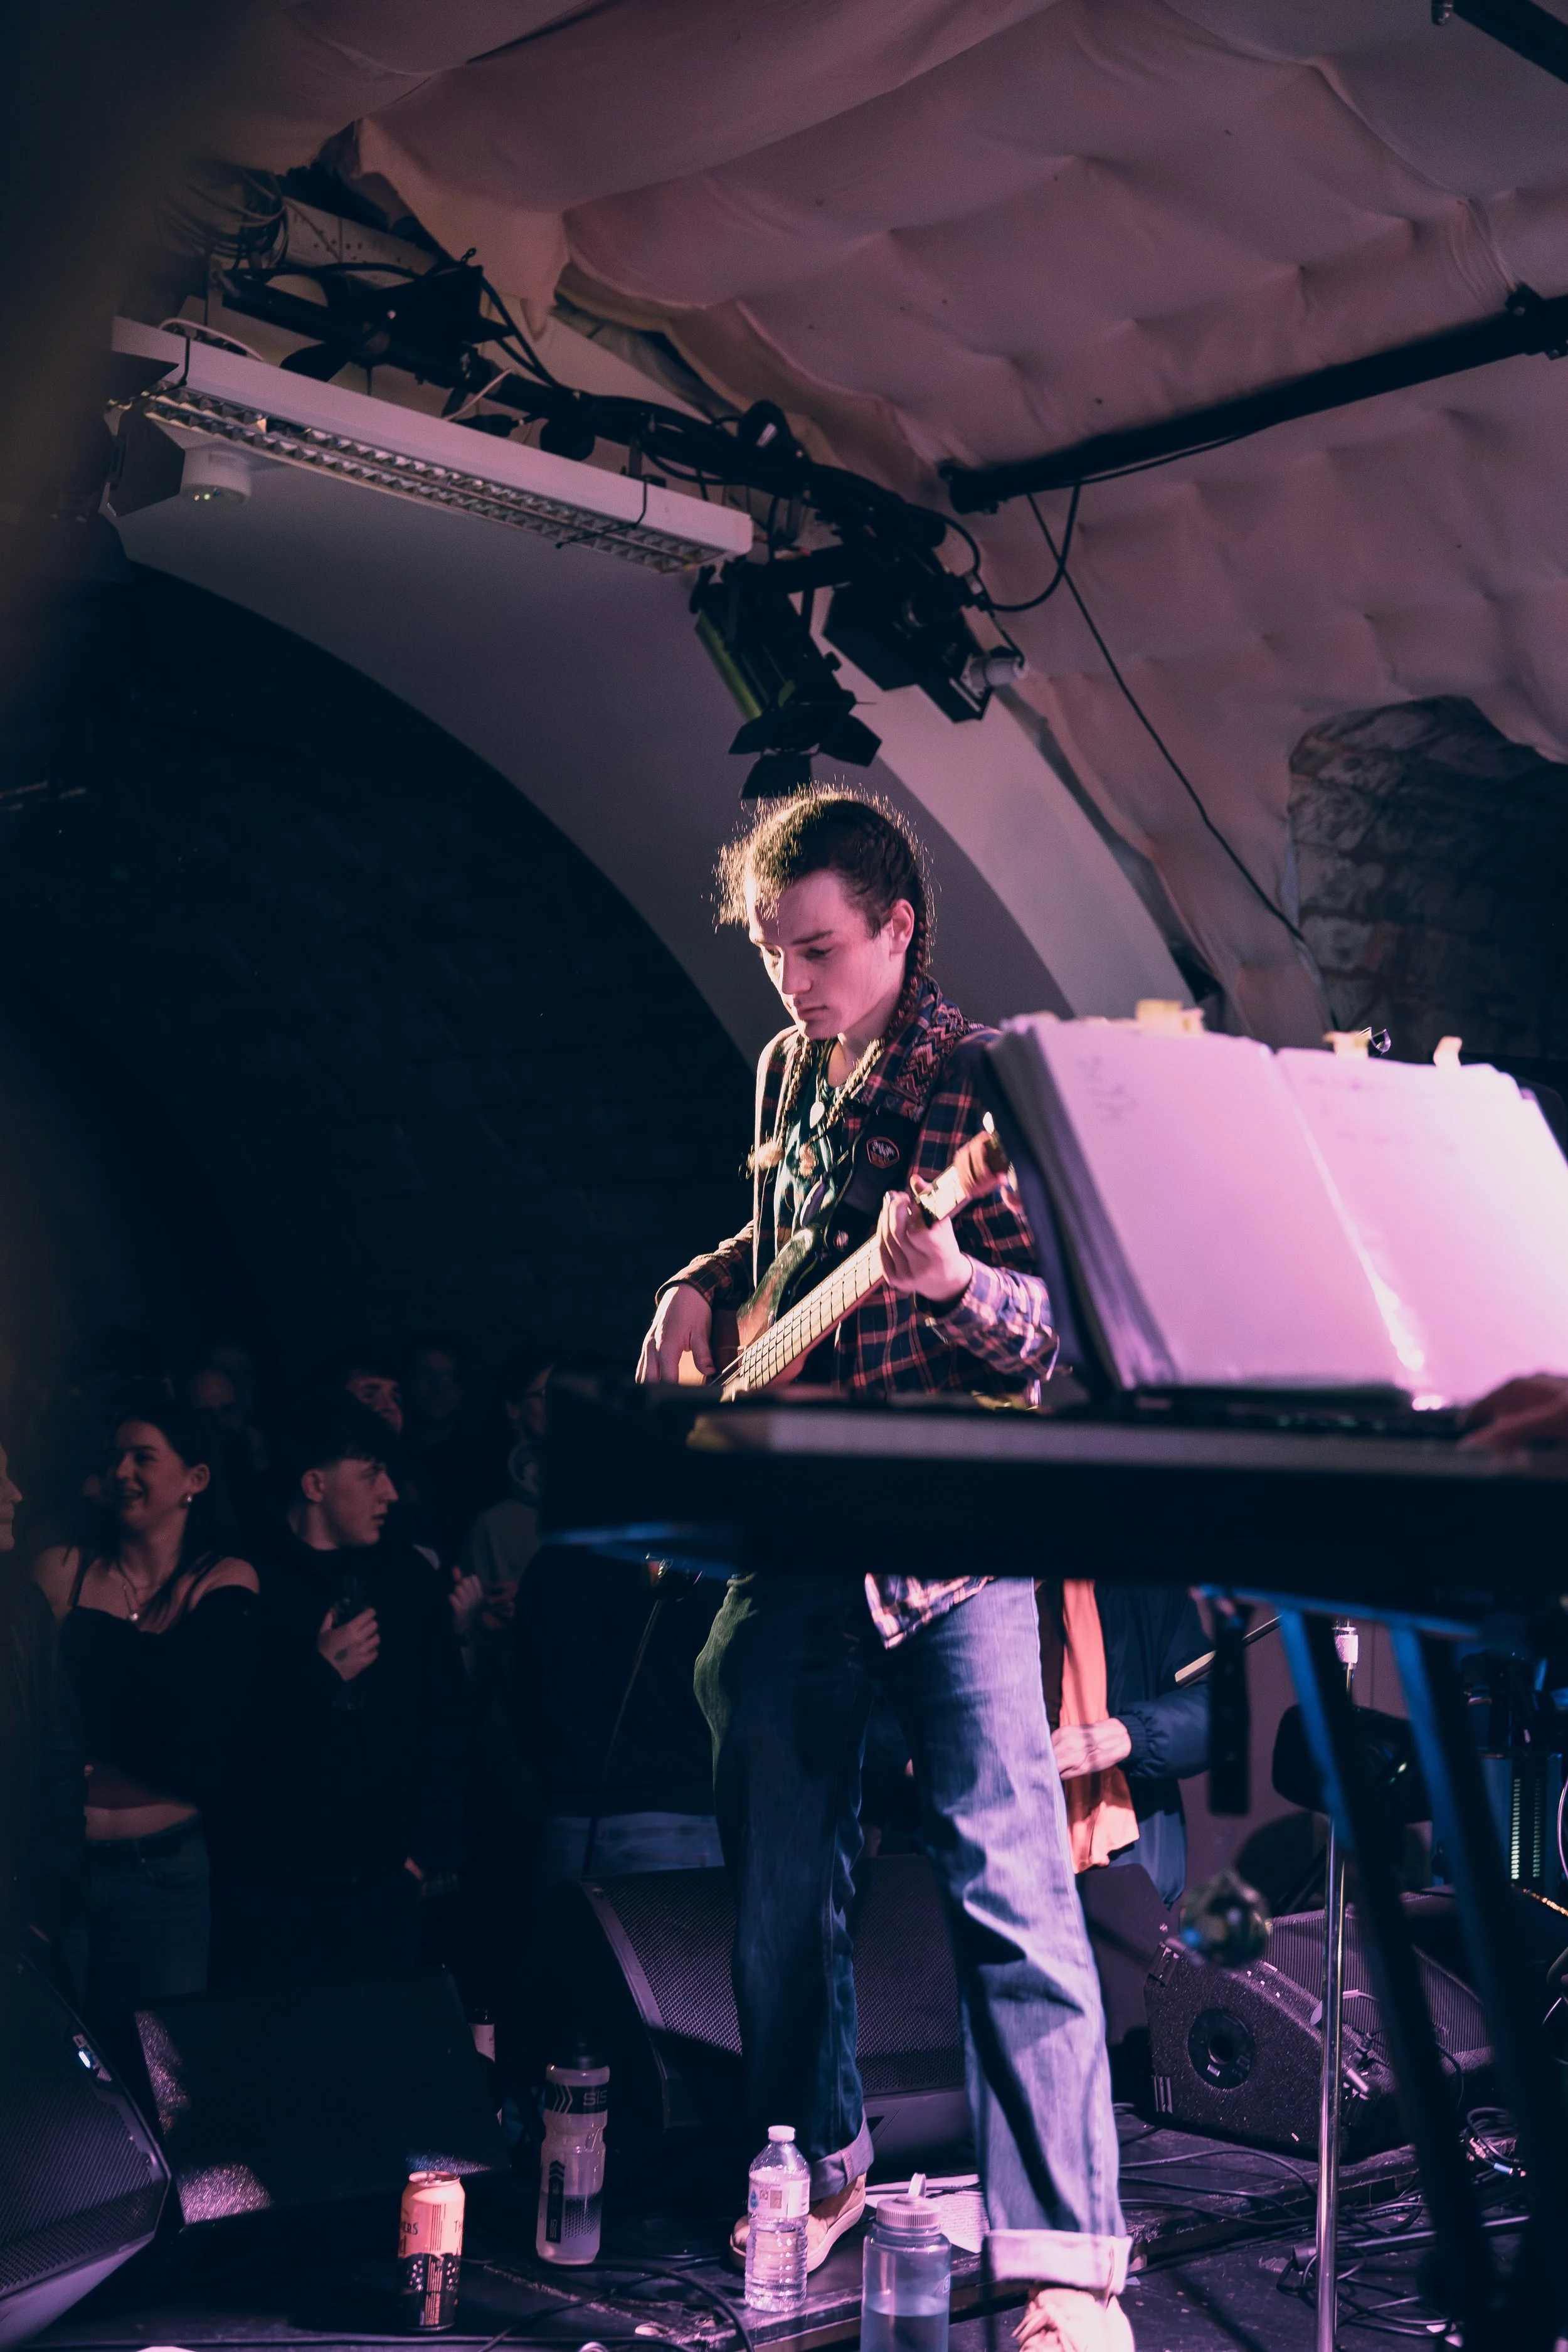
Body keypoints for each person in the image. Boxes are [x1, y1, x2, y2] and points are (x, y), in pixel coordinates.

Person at [637, 792, 1128, 2352]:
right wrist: (695, 1286)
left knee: (1012, 1892)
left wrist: (958, 1272)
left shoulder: (983, 1082)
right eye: (778, 952)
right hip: (794, 1536)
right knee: (780, 1888)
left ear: (901, 928)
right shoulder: (791, 1063)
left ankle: (1064, 2257)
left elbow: (1055, 1336)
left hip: (950, 1552)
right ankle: (816, 2158)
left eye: (821, 949)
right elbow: (776, 1234)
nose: (795, 980)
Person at [211, 1393, 467, 1984]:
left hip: (383, 1881)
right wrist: (316, 1673)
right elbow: (223, 1731)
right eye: (373, 1474)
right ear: (315, 1484)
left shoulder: (407, 1580)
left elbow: (446, 1719)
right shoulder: (247, 1580)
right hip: (271, 1886)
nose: (391, 1493)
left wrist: (424, 1856)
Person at [31, 1404, 257, 2018]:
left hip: (162, 1872)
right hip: (60, 1862)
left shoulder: (225, 1580)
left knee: (159, 2071)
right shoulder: (61, 1569)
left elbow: (195, 1720)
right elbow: (32, 1714)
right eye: (114, 1458)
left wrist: (86, 1648)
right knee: (53, 2070)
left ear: (195, 1480)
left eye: (143, 1457)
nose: (122, 1471)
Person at [1041, 1583, 1209, 1910]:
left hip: (1121, 1873)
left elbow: (1218, 1707)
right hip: (983, 1861)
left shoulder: (1147, 1588)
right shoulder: (952, 1590)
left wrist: (1129, 1733)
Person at [0, 1436, 83, 1970]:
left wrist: (42, 1913)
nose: (16, 1494)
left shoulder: (20, 1609)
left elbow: (58, 1757)